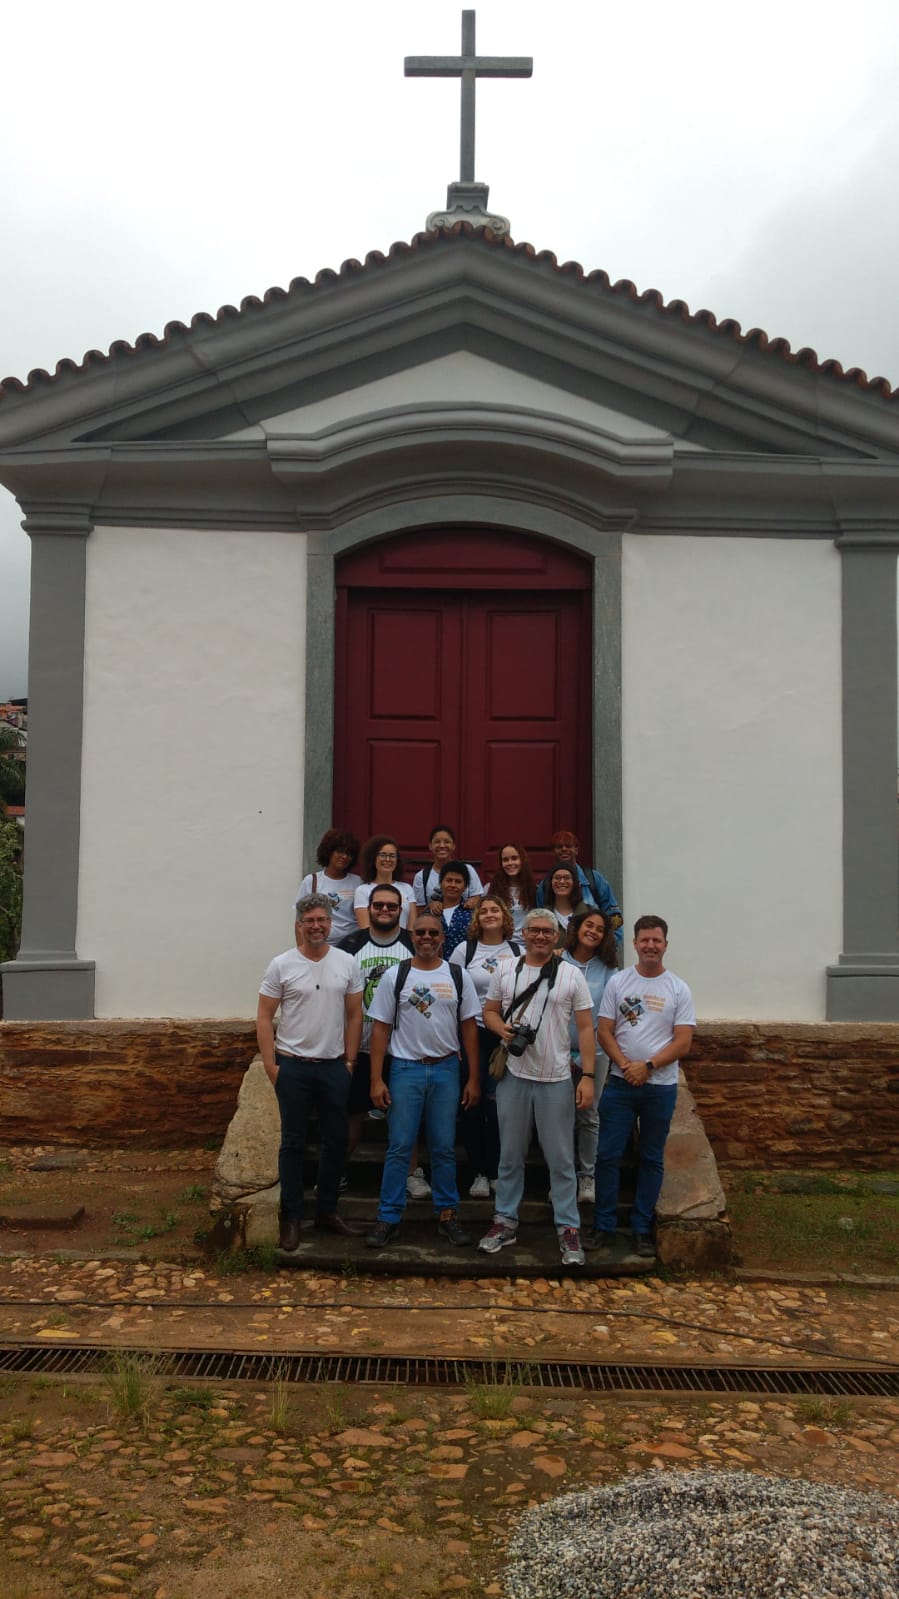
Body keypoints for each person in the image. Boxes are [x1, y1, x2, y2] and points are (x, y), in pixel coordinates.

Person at [479, 908, 596, 1267]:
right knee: (510, 1154)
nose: (540, 936)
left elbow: (587, 1028)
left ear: (557, 936)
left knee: (560, 1158)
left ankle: (568, 1226)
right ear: (524, 934)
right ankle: (505, 1219)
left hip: (556, 1077)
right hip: (514, 1074)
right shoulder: (505, 969)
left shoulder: (572, 975)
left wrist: (588, 1076)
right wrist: (502, 1031)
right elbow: (489, 1012)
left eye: (547, 931)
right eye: (534, 930)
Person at [365, 913, 481, 1249]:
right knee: (400, 1146)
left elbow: (469, 1028)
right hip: (405, 1069)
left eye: (433, 932)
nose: (427, 937)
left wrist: (473, 1077)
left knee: (444, 1147)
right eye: (420, 932)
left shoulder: (457, 975)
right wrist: (376, 1079)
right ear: (411, 936)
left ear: (443, 937)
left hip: (446, 1069)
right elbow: (380, 1029)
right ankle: (388, 1217)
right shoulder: (395, 975)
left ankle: (448, 1214)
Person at [256, 892, 363, 1252]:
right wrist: (271, 1065)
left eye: (322, 920)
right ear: (299, 926)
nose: (316, 926)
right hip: (293, 1066)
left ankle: (327, 1212)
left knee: (336, 1142)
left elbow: (354, 1015)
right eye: (309, 921)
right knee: (293, 1144)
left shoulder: (347, 962)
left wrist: (349, 1061)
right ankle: (291, 1217)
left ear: (331, 923)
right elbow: (264, 1016)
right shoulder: (281, 965)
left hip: (333, 1066)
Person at [591, 915, 696, 1260]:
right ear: (634, 943)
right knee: (607, 1156)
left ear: (666, 944)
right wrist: (626, 1065)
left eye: (657, 940)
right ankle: (604, 1226)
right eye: (644, 940)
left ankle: (641, 1229)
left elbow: (683, 1043)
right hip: (620, 1085)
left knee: (651, 1158)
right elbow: (604, 1030)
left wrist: (648, 1066)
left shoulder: (678, 989)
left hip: (660, 1087)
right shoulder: (619, 982)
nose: (651, 945)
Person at [338, 883, 415, 1174]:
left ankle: (412, 1174)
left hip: (401, 1048)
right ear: (368, 908)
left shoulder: (413, 943)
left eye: (391, 906)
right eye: (378, 905)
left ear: (401, 910)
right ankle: (338, 1174)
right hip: (357, 1047)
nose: (384, 910)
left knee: (404, 1117)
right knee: (351, 1115)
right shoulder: (349, 945)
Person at [450, 895, 521, 1199]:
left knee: (500, 1106)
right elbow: (451, 995)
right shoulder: (464, 951)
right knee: (472, 1102)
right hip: (473, 1034)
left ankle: (497, 1171)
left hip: (506, 1037)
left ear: (505, 916)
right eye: (484, 911)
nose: (489, 914)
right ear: (476, 919)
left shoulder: (518, 950)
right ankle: (479, 1171)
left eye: (495, 910)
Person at [562, 909, 618, 1203]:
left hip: (594, 1054)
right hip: (557, 1054)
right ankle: (562, 1176)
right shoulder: (558, 962)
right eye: (588, 925)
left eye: (599, 929)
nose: (593, 931)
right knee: (558, 1117)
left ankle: (587, 1177)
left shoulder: (609, 970)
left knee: (588, 1115)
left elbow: (610, 1016)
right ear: (577, 928)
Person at [536, 830, 623, 942]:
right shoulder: (545, 886)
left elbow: (614, 917)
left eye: (568, 846)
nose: (564, 849)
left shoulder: (594, 880)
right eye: (559, 847)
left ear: (576, 850)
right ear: (553, 852)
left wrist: (606, 948)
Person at [294, 828, 362, 945]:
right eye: (340, 851)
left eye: (349, 853)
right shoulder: (312, 881)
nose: (344, 856)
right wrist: (303, 952)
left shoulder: (357, 882)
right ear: (329, 852)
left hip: (351, 945)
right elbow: (299, 921)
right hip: (319, 945)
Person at [412, 824, 484, 910]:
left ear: (453, 846)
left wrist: (471, 903)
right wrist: (430, 906)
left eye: (447, 842)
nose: (442, 845)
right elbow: (418, 911)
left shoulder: (468, 870)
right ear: (430, 846)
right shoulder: (421, 877)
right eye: (437, 842)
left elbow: (477, 899)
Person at [353, 835, 416, 930]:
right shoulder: (362, 890)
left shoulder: (407, 888)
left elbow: (412, 928)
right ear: (373, 858)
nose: (387, 860)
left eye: (392, 856)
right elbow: (365, 928)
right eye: (383, 855)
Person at [487, 842, 538, 934]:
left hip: (528, 945)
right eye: (505, 860)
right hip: (500, 943)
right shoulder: (490, 889)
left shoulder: (535, 890)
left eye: (514, 858)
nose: (510, 863)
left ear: (522, 860)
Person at [436, 859, 474, 958]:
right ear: (441, 883)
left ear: (465, 886)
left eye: (458, 881)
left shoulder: (473, 914)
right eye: (449, 880)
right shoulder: (430, 912)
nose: (453, 885)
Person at [541, 864, 587, 939]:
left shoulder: (589, 912)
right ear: (550, 883)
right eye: (557, 878)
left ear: (575, 883)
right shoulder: (542, 915)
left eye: (567, 878)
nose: (562, 881)